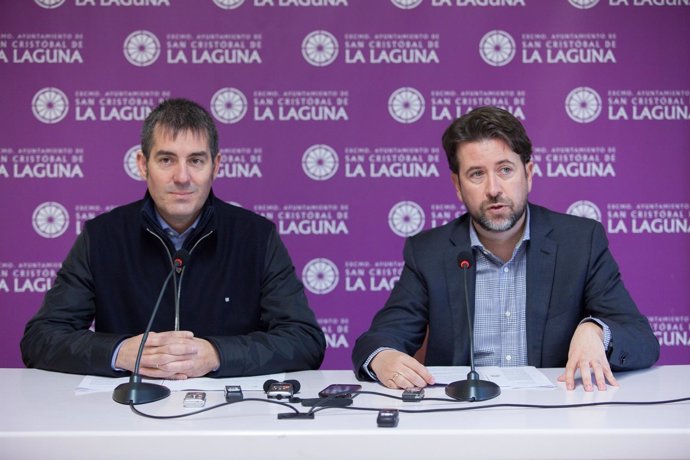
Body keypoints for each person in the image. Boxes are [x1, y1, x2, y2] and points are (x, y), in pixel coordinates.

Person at [352, 106, 659, 392]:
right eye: (476, 174)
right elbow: (379, 340)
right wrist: (382, 357)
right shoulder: (428, 252)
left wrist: (596, 331)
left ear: (529, 174)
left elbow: (641, 338)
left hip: (555, 415)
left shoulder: (580, 242)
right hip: (462, 418)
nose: (493, 189)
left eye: (505, 170)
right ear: (457, 185)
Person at [21, 98, 326, 379]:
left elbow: (304, 340)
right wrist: (120, 352)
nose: (182, 177)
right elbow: (41, 338)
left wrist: (218, 355)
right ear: (143, 165)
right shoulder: (102, 236)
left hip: (228, 418)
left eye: (196, 161)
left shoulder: (256, 237)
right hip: (124, 416)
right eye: (166, 160)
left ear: (215, 167)